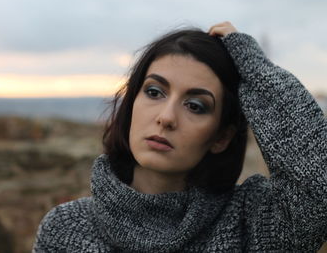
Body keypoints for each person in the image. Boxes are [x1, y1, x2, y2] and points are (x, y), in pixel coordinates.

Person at [33, 22, 327, 252]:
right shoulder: (66, 228)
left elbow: (318, 181)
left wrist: (254, 65)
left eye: (195, 106)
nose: (167, 117)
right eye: (154, 92)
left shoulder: (252, 224)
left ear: (221, 137)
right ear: (132, 102)